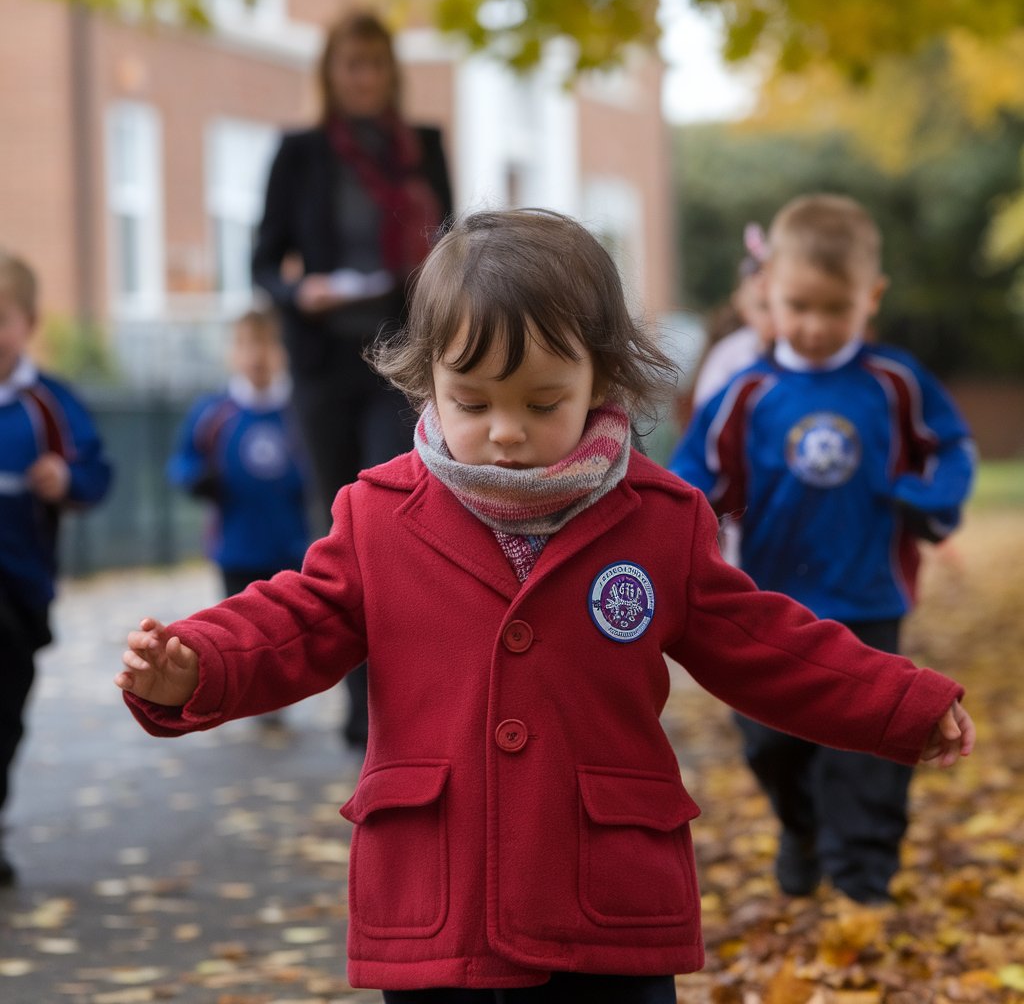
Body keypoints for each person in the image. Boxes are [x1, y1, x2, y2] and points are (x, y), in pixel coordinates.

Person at [117, 209, 973, 1001]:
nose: (506, 432)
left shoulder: (659, 518)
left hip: (606, 909)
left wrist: (899, 704)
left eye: (542, 402)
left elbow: (765, 643)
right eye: (473, 402)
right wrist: (197, 663)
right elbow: (292, 619)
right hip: (437, 908)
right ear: (427, 385)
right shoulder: (380, 514)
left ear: (602, 377)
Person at [669, 193, 976, 904]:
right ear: (766, 287)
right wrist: (681, 540)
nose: (812, 325)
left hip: (868, 595)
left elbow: (951, 448)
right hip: (771, 604)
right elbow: (691, 479)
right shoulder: (747, 392)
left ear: (871, 298)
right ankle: (799, 827)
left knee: (869, 741)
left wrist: (926, 501)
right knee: (771, 742)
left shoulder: (894, 383)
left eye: (834, 309)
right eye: (796, 305)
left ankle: (862, 881)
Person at [252, 8, 453, 748]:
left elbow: (453, 250)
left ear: (391, 71)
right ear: (332, 74)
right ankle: (356, 692)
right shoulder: (299, 154)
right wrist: (296, 292)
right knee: (337, 523)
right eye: (351, 65)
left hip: (399, 355)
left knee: (399, 518)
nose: (364, 78)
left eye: (375, 63)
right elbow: (264, 264)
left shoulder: (421, 149)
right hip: (324, 359)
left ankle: (397, 691)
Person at [0, 249, 112, 885]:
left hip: (21, 588)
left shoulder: (48, 404)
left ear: (30, 322)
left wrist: (66, 477)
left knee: (4, 715)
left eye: (2, 318)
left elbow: (97, 472)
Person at [166, 306, 310, 608]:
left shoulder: (299, 413)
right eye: (246, 344)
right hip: (236, 551)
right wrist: (196, 478)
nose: (256, 355)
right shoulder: (214, 413)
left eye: (267, 343)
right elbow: (182, 461)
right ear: (232, 353)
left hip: (293, 551)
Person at [689, 223, 773, 411]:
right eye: (763, 307)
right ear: (741, 305)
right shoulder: (730, 355)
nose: (773, 316)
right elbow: (706, 413)